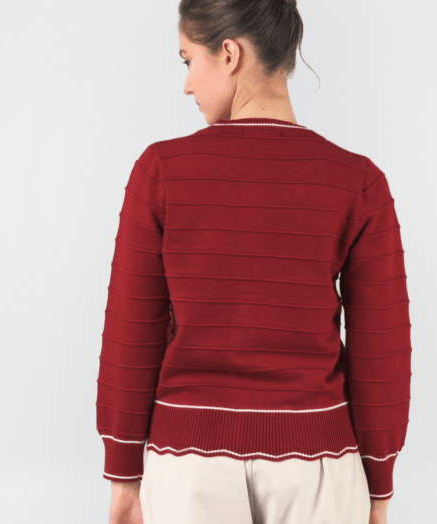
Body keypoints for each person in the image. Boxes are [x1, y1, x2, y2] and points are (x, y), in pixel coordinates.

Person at [96, 1, 411, 523]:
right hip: (318, 467)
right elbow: (382, 352)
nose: (187, 85)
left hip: (187, 465)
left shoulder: (161, 171)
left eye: (188, 60)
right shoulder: (358, 181)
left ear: (229, 54)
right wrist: (378, 485)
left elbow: (132, 334)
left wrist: (124, 474)